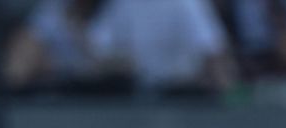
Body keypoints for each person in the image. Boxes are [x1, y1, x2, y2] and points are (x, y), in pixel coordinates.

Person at [85, 0, 234, 94]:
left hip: (179, 98)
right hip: (133, 96)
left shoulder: (187, 3)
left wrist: (223, 90)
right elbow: (95, 48)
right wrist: (116, 63)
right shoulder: (122, 3)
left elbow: (213, 50)